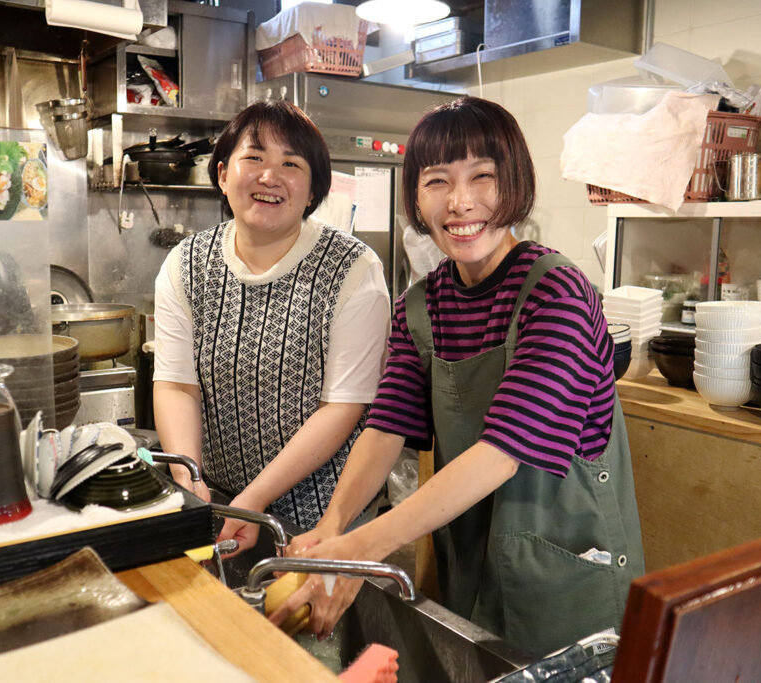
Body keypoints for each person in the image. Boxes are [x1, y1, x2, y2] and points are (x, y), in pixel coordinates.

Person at [272, 96, 645, 658]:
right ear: (417, 199)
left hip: (564, 574)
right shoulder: (421, 305)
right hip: (470, 561)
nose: (461, 202)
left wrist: (360, 551)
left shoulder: (558, 295)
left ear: (514, 183)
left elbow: (503, 450)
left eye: (483, 177)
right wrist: (334, 527)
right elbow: (385, 426)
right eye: (438, 181)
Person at [152, 100, 391, 551]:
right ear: (223, 175)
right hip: (221, 499)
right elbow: (175, 384)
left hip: (324, 516)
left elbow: (342, 405)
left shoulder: (354, 270)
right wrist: (190, 479)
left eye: (291, 164)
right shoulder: (185, 264)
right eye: (255, 157)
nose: (270, 176)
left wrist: (256, 499)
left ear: (314, 189)